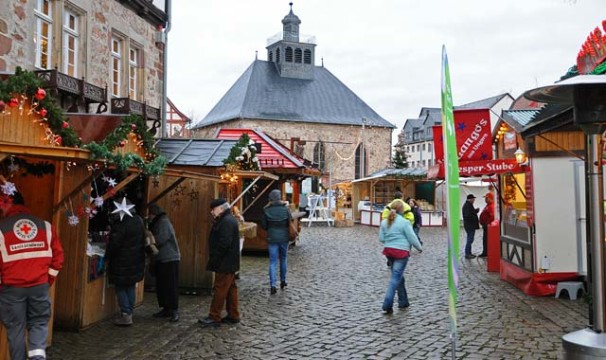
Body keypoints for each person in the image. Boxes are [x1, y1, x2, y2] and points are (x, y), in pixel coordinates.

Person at [0, 191, 64, 360]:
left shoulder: (1, 229)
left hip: (11, 289)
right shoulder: (46, 226)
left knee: (15, 328)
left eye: (3, 202)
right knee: (39, 323)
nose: (1, 206)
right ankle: (37, 358)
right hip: (39, 286)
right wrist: (46, 280)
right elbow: (58, 259)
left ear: (10, 202)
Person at [199, 198, 241, 328]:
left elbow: (224, 243)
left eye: (213, 209)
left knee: (220, 289)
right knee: (230, 289)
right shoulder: (226, 220)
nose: (212, 212)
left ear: (221, 208)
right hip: (229, 261)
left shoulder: (226, 221)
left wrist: (216, 257)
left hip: (225, 262)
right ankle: (233, 315)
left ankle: (214, 316)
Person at [105, 197, 146, 326]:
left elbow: (115, 244)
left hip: (121, 261)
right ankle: (129, 312)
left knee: (121, 287)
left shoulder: (121, 224)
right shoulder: (138, 220)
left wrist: (107, 256)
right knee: (130, 286)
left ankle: (126, 314)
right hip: (136, 260)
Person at [379, 200, 422, 314]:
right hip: (401, 252)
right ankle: (387, 304)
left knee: (398, 276)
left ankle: (403, 301)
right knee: (395, 278)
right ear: (402, 209)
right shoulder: (404, 222)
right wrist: (419, 248)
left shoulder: (384, 222)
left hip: (389, 252)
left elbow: (382, 239)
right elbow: (412, 237)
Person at [148, 203, 181, 322]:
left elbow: (161, 238)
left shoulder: (163, 223)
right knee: (162, 285)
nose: (149, 217)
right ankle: (166, 308)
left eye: (150, 214)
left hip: (169, 258)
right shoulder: (159, 222)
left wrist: (149, 241)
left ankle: (174, 309)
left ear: (154, 214)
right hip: (163, 258)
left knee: (170, 285)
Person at [261, 189, 292, 295]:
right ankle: (283, 281)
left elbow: (264, 226)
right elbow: (290, 222)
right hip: (284, 238)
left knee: (272, 262)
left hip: (272, 238)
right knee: (283, 259)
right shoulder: (286, 209)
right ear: (279, 198)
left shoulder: (266, 210)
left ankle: (272, 285)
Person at [462, 194, 480, 259]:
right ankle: (467, 253)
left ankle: (469, 252)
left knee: (470, 239)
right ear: (470, 199)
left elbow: (470, 212)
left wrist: (475, 211)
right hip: (470, 225)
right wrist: (474, 216)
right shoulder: (467, 205)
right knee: (470, 239)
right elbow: (467, 215)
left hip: (470, 225)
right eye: (473, 199)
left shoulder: (469, 205)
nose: (474, 200)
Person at [478, 193, 495, 258]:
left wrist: (488, 223)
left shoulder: (491, 206)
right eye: (485, 198)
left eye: (486, 198)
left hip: (488, 226)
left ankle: (486, 252)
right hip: (485, 225)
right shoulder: (488, 205)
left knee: (486, 240)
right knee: (485, 239)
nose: (485, 199)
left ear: (490, 198)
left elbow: (492, 216)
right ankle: (485, 252)